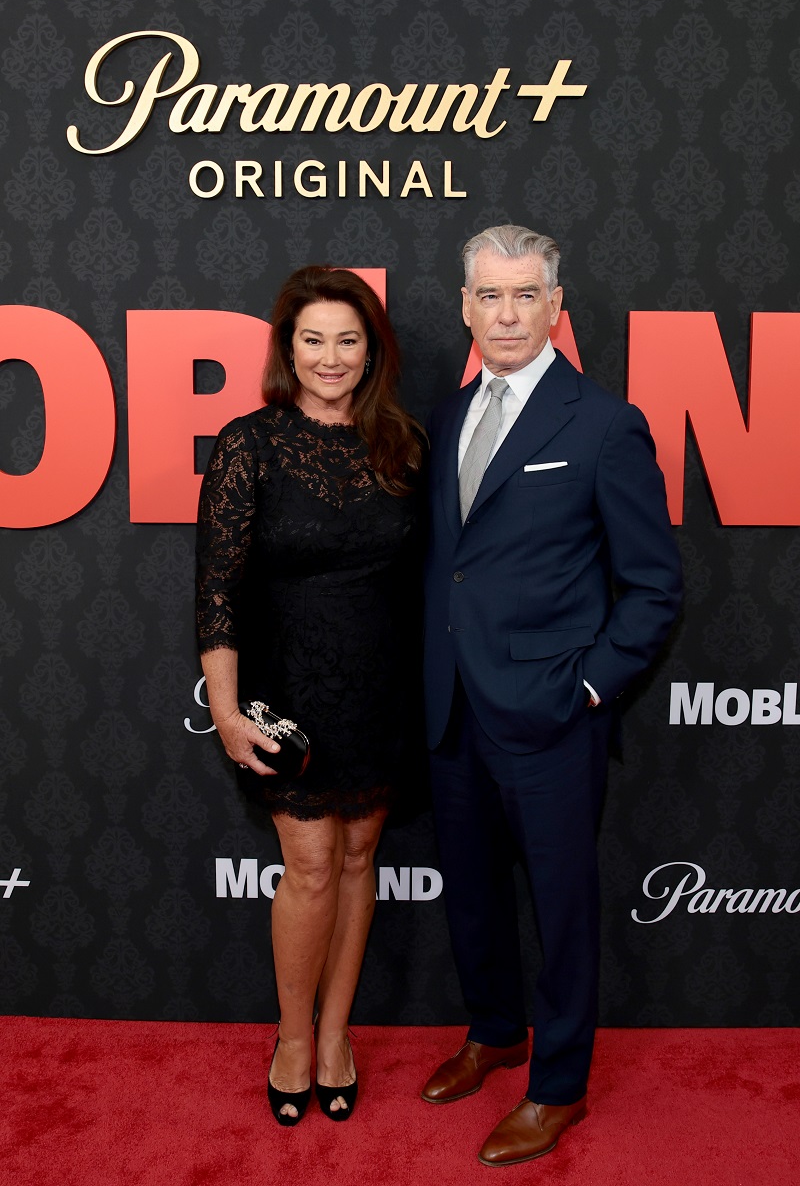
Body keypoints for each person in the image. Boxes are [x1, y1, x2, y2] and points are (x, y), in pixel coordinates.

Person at [421, 225, 682, 1165]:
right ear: (465, 308)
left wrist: (591, 686)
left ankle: (559, 1084)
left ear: (556, 307)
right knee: (472, 894)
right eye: (489, 296)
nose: (507, 314)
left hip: (553, 714)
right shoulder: (449, 416)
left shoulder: (604, 423)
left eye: (525, 294)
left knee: (563, 908)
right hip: (453, 706)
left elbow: (654, 584)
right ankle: (494, 1031)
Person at [196, 266, 424, 1126]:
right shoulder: (248, 443)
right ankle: (293, 1037)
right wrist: (226, 712)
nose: (331, 357)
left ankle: (336, 1035)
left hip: (381, 688)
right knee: (313, 864)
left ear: (371, 352)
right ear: (288, 350)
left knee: (361, 857)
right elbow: (217, 590)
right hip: (287, 692)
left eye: (348, 340)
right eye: (313, 339)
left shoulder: (404, 444)